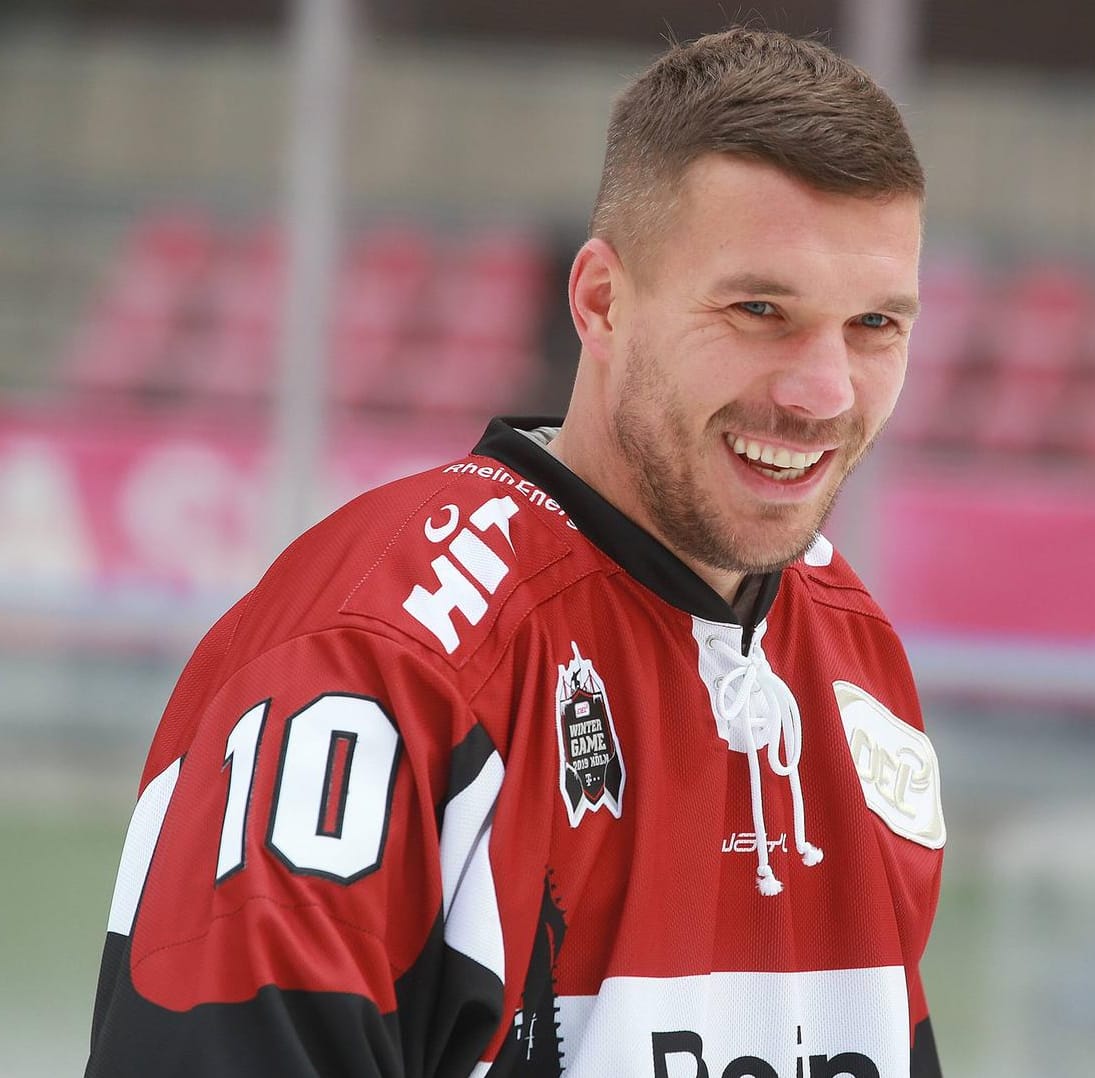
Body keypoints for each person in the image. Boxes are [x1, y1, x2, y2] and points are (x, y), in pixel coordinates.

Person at [85, 27, 945, 1078]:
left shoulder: (853, 652)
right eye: (758, 310)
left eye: (873, 324)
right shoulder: (373, 660)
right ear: (601, 302)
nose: (825, 391)